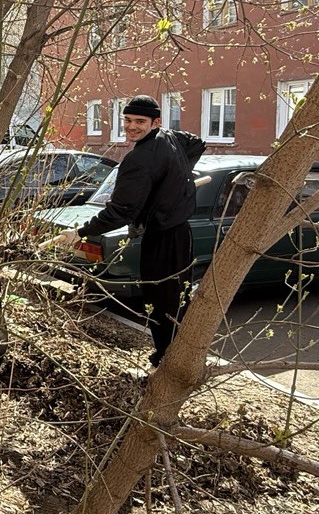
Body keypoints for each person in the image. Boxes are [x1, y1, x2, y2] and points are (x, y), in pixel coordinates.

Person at [53, 95, 205, 367]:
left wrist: (83, 232)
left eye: (140, 121)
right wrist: (172, 182)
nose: (132, 126)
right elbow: (197, 143)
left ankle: (166, 360)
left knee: (161, 299)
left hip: (162, 236)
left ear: (155, 122)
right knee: (178, 296)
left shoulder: (138, 160)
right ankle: (178, 354)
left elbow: (121, 211)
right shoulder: (170, 137)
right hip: (181, 232)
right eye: (128, 120)